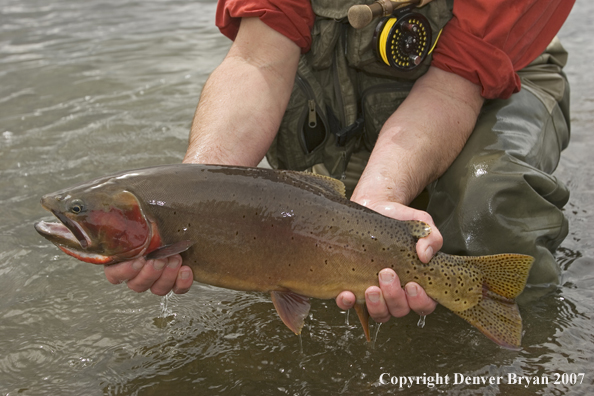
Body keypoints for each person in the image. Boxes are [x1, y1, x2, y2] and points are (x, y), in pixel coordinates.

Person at [103, 0, 575, 326]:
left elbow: (453, 87)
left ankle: (531, 359)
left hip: (490, 77)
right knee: (318, 249)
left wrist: (379, 200)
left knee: (492, 205)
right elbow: (259, 60)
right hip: (329, 76)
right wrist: (190, 194)